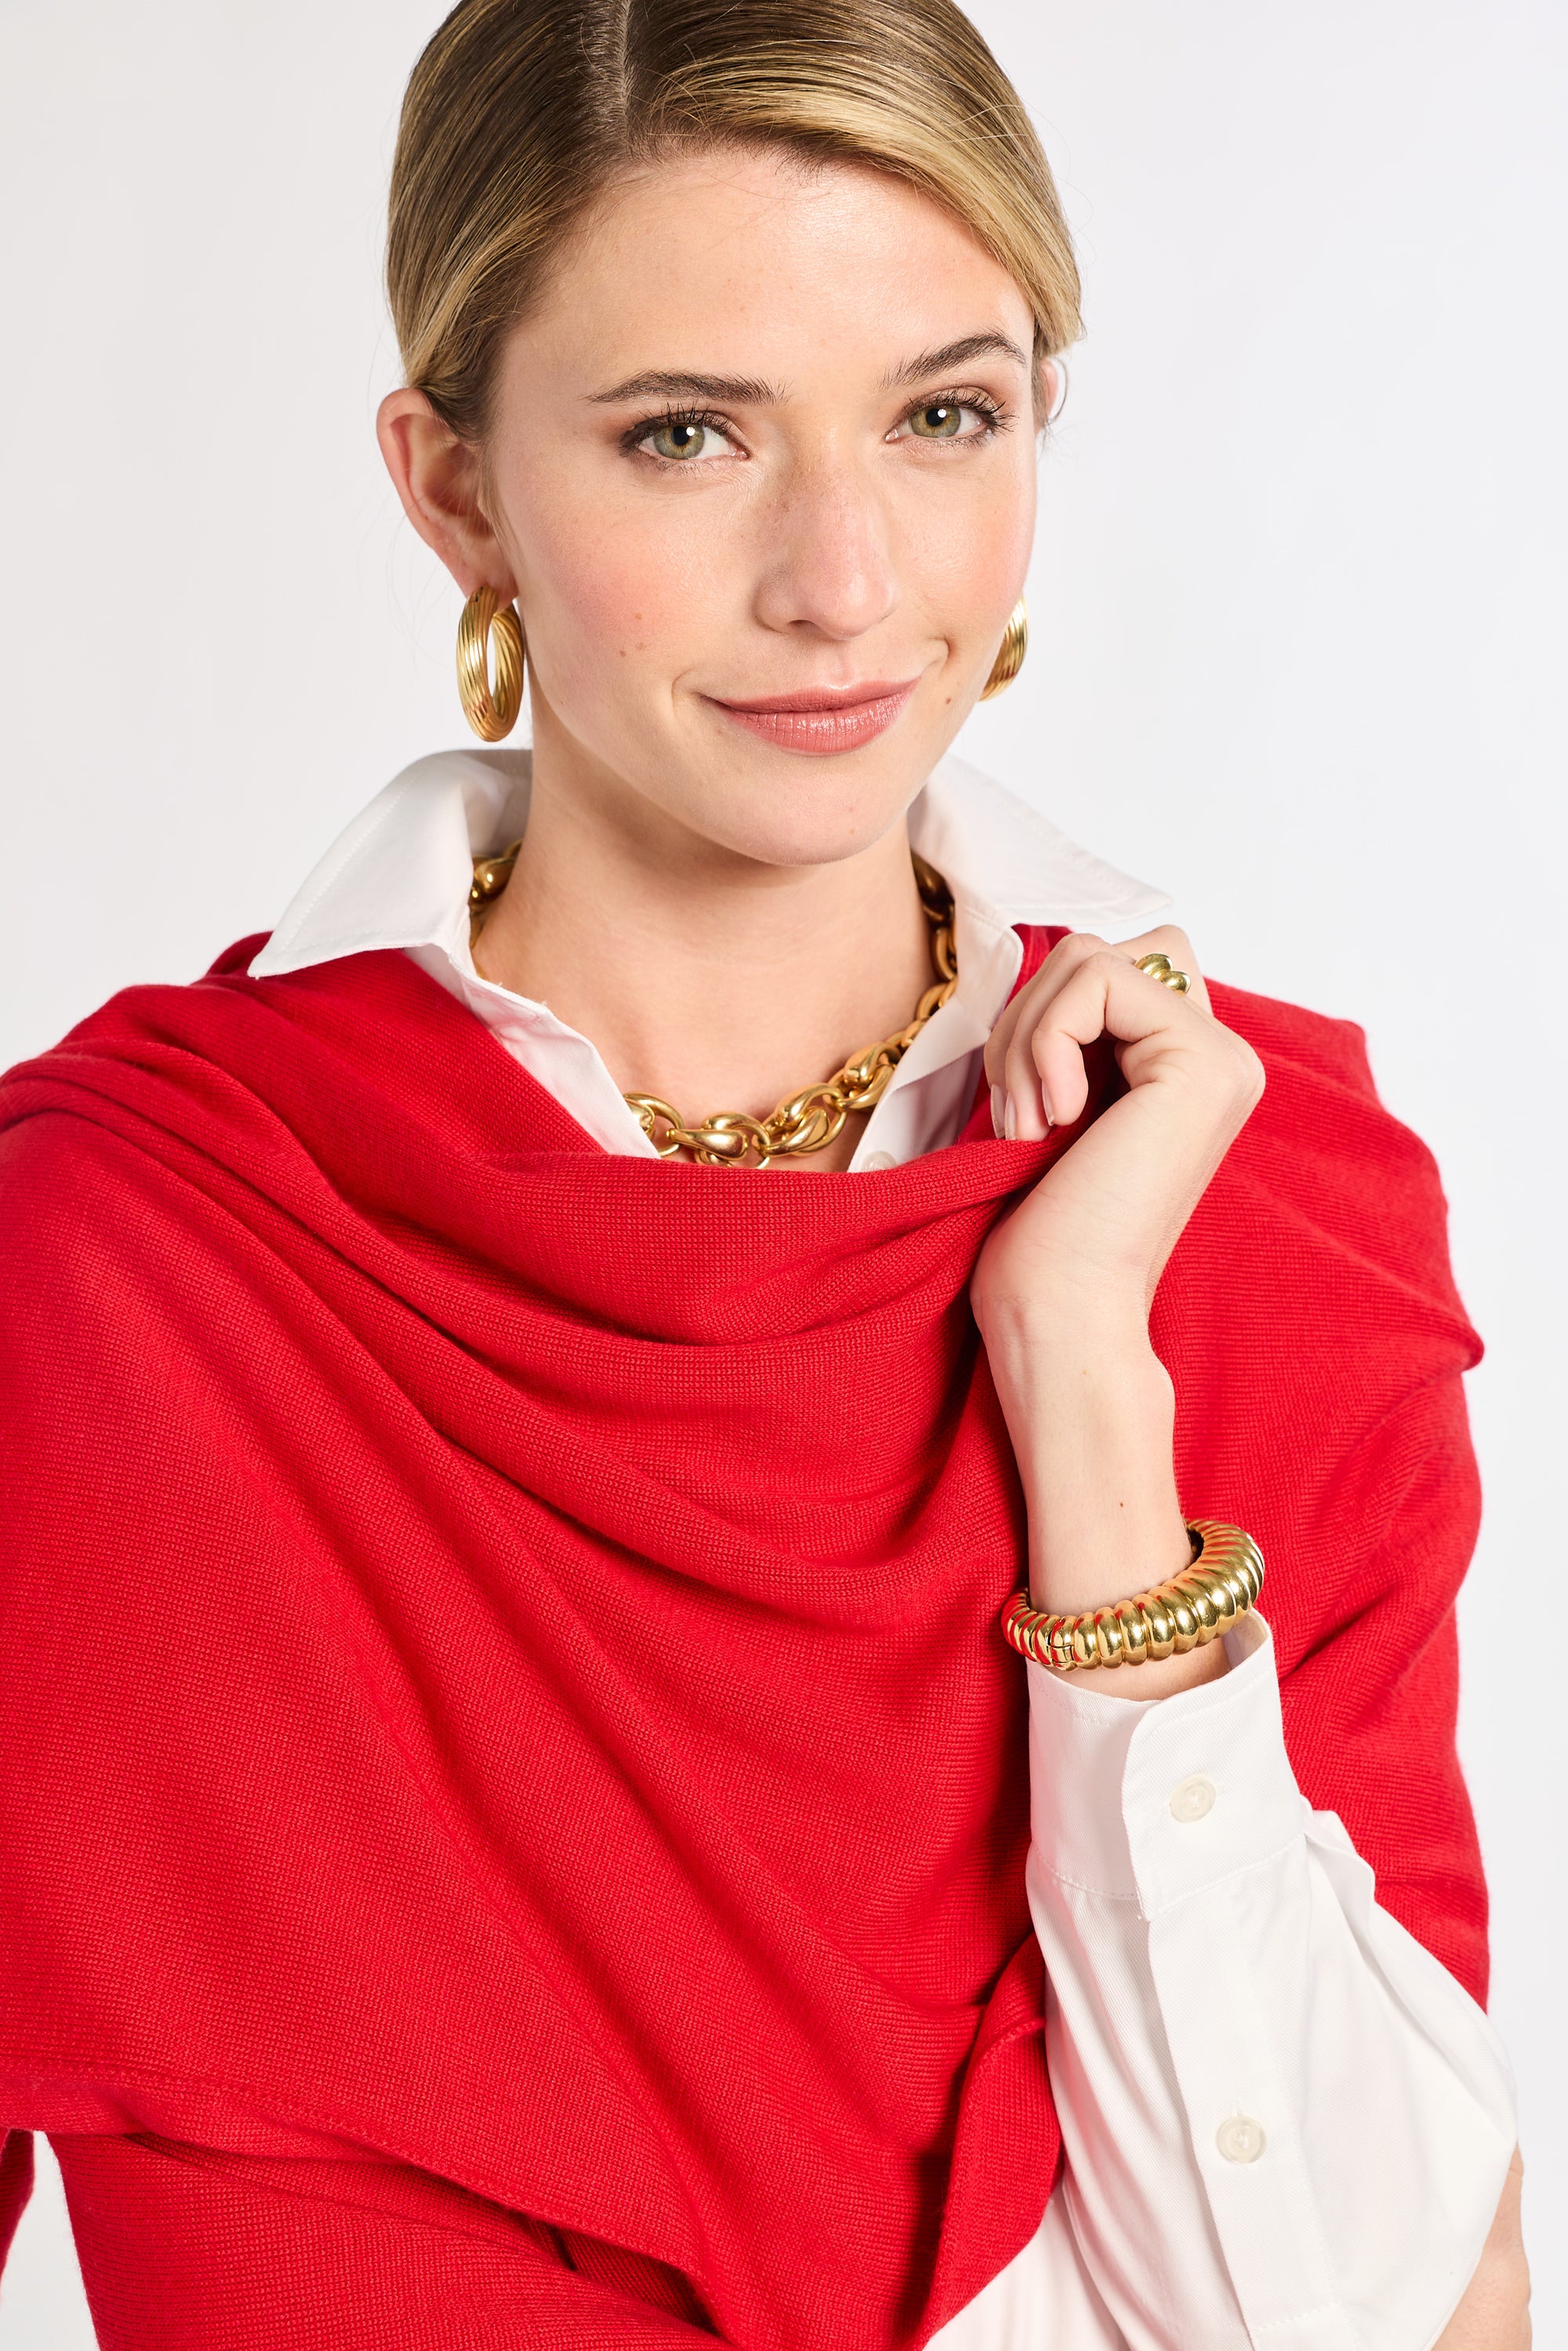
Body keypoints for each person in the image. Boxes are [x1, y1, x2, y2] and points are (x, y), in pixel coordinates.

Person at [0, 2, 1531, 2344]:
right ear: (456, 490)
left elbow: (1383, 2315)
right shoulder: (117, 1272)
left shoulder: (1271, 1201)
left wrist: (1087, 1391)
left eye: (944, 415)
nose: (843, 579)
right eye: (686, 435)